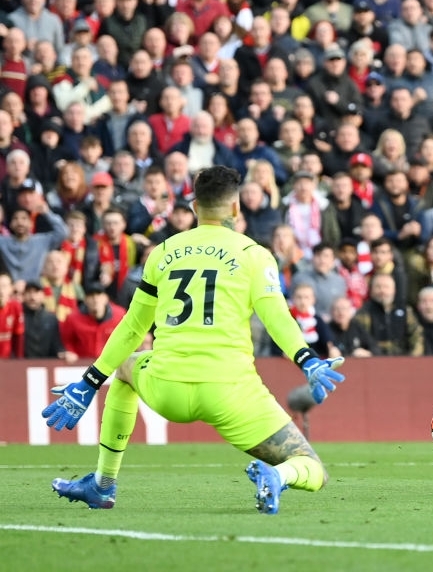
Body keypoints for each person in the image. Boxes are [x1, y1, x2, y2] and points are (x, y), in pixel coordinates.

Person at [43, 165, 347, 515]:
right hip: (230, 393)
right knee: (311, 468)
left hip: (167, 387)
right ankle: (278, 476)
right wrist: (307, 360)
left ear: (193, 207)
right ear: (236, 208)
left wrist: (89, 382)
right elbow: (276, 316)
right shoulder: (254, 255)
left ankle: (103, 484)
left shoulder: (163, 251)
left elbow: (131, 327)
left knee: (126, 370)